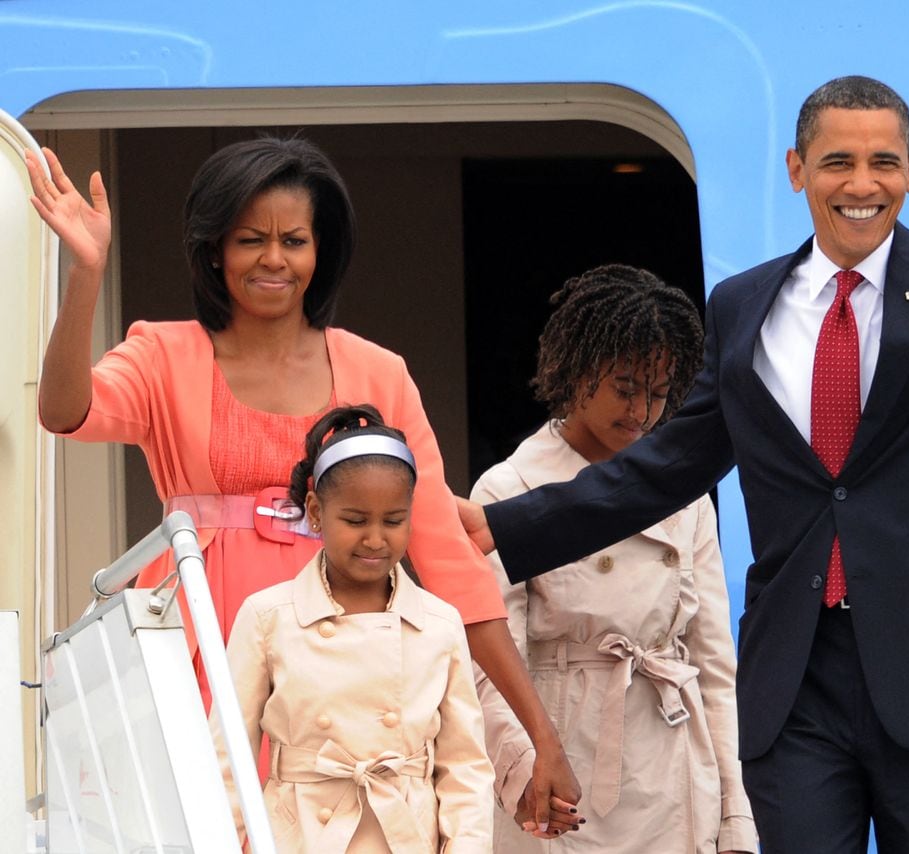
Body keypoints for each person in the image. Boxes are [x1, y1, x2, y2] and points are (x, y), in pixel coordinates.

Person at [457, 43, 909, 852]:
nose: (861, 184)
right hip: (799, 673)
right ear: (798, 169)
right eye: (838, 161)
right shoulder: (742, 305)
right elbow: (668, 467)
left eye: (882, 163)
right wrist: (506, 527)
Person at [26, 136, 578, 832]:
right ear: (214, 249)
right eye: (250, 239)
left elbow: (450, 564)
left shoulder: (378, 371)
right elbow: (64, 411)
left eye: (295, 239)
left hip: (344, 659)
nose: (274, 259)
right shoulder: (163, 354)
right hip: (199, 640)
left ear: (323, 251)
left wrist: (541, 736)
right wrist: (86, 271)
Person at [471, 265, 757, 853]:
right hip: (561, 746)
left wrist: (737, 814)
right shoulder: (507, 490)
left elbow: (715, 665)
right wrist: (524, 767)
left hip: (670, 755)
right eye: (626, 387)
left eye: (658, 392)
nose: (642, 411)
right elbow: (489, 661)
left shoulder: (687, 496)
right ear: (577, 375)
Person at [215, 404, 493, 852]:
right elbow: (227, 757)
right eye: (356, 521)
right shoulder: (268, 616)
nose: (376, 539)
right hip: (300, 835)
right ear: (316, 512)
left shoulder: (439, 624)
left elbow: (465, 767)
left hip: (405, 835)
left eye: (394, 521)